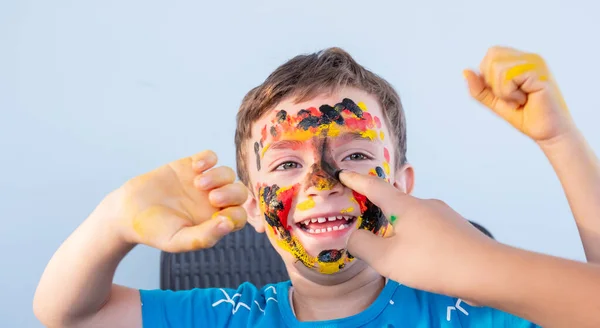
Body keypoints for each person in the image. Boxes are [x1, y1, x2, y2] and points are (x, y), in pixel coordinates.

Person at [33, 46, 600, 327]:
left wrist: (560, 143)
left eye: (355, 156)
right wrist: (111, 222)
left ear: (402, 187)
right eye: (284, 165)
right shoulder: (230, 315)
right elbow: (69, 316)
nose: (320, 183)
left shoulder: (472, 312)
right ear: (254, 206)